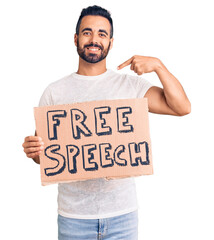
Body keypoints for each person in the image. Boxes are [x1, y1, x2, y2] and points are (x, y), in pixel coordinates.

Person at [22, 5, 191, 240]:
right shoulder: (54, 92)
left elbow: (182, 107)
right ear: (76, 39)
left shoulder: (130, 87)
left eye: (102, 34)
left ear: (111, 42)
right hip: (74, 218)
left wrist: (159, 66)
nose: (94, 39)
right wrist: (34, 152)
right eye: (87, 32)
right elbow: (47, 156)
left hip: (123, 216)